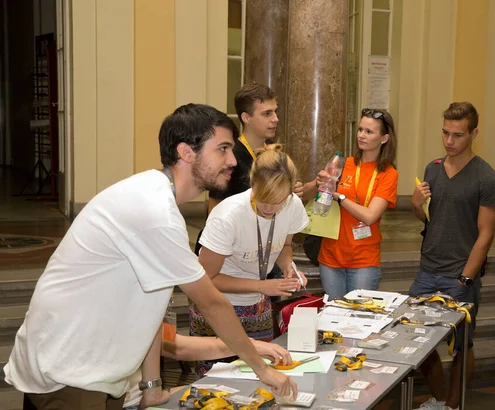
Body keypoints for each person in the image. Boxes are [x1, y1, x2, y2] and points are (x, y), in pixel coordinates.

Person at [5, 104, 296, 410]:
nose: (233, 160)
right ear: (186, 152)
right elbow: (212, 303)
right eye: (223, 149)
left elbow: (151, 313)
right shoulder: (154, 211)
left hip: (94, 369)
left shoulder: (155, 198)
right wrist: (261, 370)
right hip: (68, 370)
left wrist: (152, 389)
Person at [411, 102, 495, 410]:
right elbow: (426, 217)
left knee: (462, 345)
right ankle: (438, 400)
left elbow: (486, 234)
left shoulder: (486, 177)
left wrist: (466, 277)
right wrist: (415, 203)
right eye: (445, 133)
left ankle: (453, 404)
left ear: (474, 133)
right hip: (427, 270)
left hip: (460, 275)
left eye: (458, 135)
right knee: (416, 340)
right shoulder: (433, 168)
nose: (449, 141)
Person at [189, 144, 309, 375]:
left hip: (257, 307)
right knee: (216, 385)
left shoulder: (293, 205)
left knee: (260, 378)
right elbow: (205, 279)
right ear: (252, 184)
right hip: (217, 307)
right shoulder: (228, 216)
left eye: (278, 201)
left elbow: (284, 244)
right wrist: (263, 286)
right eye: (263, 198)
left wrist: (288, 267)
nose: (270, 207)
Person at [200, 83, 303, 288]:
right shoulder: (231, 157)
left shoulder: (272, 156)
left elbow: (285, 242)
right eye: (266, 113)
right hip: (227, 258)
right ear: (246, 117)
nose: (275, 119)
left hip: (260, 258)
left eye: (275, 112)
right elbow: (215, 212)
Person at [303, 108, 398, 298]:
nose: (361, 135)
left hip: (363, 260)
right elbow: (305, 194)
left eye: (369, 132)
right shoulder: (342, 163)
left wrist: (339, 196)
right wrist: (318, 182)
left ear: (384, 139)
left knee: (359, 320)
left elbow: (370, 216)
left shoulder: (388, 173)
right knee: (333, 318)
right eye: (360, 129)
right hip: (330, 257)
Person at [123, 330, 292, 409]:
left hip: (142, 396)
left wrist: (249, 346)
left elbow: (174, 342)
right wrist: (246, 348)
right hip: (132, 402)